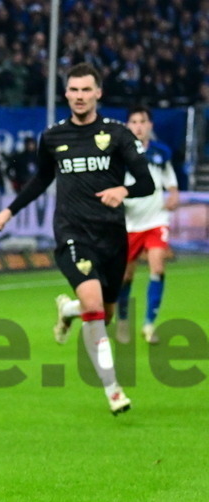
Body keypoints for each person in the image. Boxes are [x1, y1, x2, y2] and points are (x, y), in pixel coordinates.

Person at [0, 63, 154, 415]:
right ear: (66, 94)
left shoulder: (118, 134)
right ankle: (113, 389)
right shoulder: (53, 137)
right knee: (94, 305)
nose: (80, 96)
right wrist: (9, 211)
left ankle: (68, 309)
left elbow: (147, 183)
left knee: (103, 313)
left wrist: (123, 189)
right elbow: (40, 180)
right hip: (72, 232)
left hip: (112, 236)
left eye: (86, 90)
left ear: (98, 93)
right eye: (74, 90)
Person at [114, 106, 179, 345]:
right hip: (130, 223)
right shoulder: (119, 155)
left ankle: (149, 324)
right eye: (134, 122)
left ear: (150, 125)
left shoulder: (161, 153)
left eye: (142, 121)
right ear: (127, 126)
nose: (139, 126)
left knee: (158, 267)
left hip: (156, 220)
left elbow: (171, 182)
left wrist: (174, 194)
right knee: (125, 276)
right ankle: (123, 320)